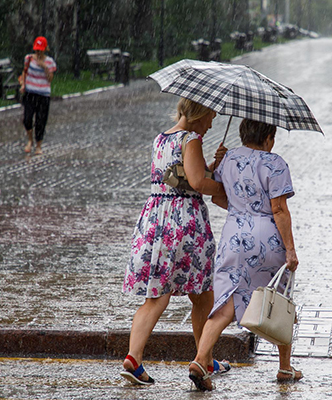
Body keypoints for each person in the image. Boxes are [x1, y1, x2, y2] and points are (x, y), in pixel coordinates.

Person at [120, 98, 228, 385]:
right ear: (199, 114)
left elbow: (178, 175)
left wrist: (215, 165)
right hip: (183, 223)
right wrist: (226, 187)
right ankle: (203, 358)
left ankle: (134, 357)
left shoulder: (161, 138)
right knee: (203, 295)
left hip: (155, 219)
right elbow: (197, 183)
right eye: (210, 118)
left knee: (156, 296)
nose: (211, 124)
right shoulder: (191, 138)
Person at [187, 119, 301, 391]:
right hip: (266, 238)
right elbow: (279, 210)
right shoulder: (275, 163)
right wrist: (291, 249)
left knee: (225, 302)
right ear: (269, 137)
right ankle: (285, 367)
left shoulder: (228, 159)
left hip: (233, 237)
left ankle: (201, 359)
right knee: (277, 298)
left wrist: (220, 164)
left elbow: (218, 198)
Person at [20, 36, 56, 156]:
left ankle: (38, 145)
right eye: (37, 49)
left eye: (40, 50)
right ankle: (30, 140)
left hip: (43, 94)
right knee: (27, 119)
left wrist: (44, 67)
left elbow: (50, 79)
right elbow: (24, 72)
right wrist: (23, 84)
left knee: (41, 120)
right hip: (30, 93)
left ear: (45, 49)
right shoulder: (28, 58)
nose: (38, 52)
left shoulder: (50, 62)